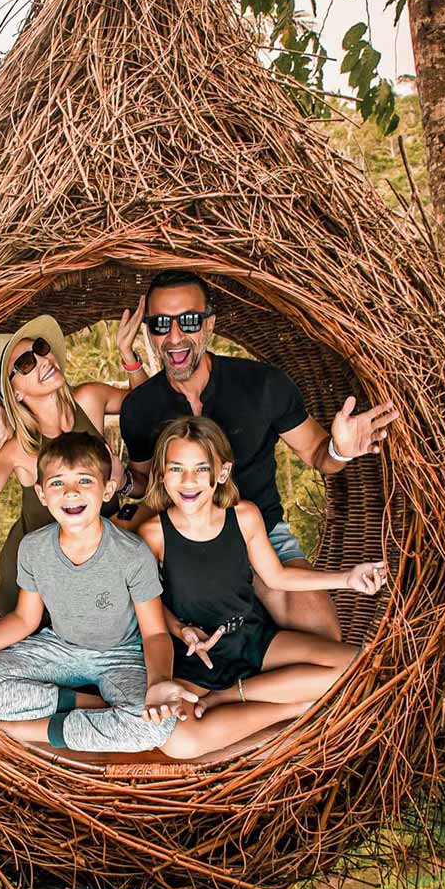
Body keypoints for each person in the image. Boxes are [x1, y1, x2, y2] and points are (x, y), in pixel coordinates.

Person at [0, 431, 309, 757]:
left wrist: (157, 682)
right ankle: (87, 706)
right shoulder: (34, 548)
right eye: (58, 484)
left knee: (156, 725)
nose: (71, 493)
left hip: (120, 655)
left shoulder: (131, 553)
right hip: (58, 649)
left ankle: (31, 730)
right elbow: (25, 620)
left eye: (84, 481)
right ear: (42, 494)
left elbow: (154, 633)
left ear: (106, 490)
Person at [119, 270, 398, 641]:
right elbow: (142, 483)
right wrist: (118, 479)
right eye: (159, 325)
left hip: (262, 531)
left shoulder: (262, 385)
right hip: (182, 545)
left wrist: (339, 449)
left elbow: (317, 453)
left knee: (325, 644)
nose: (173, 337)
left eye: (188, 321)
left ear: (210, 324)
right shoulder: (140, 407)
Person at [138, 416, 383, 714]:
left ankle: (228, 697)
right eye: (176, 469)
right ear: (162, 475)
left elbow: (277, 577)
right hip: (195, 652)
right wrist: (180, 630)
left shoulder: (244, 517)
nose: (189, 481)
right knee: (179, 738)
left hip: (249, 635)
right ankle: (283, 703)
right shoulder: (153, 534)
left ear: (222, 472)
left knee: (356, 665)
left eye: (201, 469)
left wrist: (347, 579)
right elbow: (148, 603)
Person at [0, 308, 147, 615]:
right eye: (26, 363)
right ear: (14, 393)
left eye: (41, 349)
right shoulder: (20, 450)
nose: (43, 360)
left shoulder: (89, 399)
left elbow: (148, 403)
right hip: (39, 588)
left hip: (103, 565)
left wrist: (128, 355)